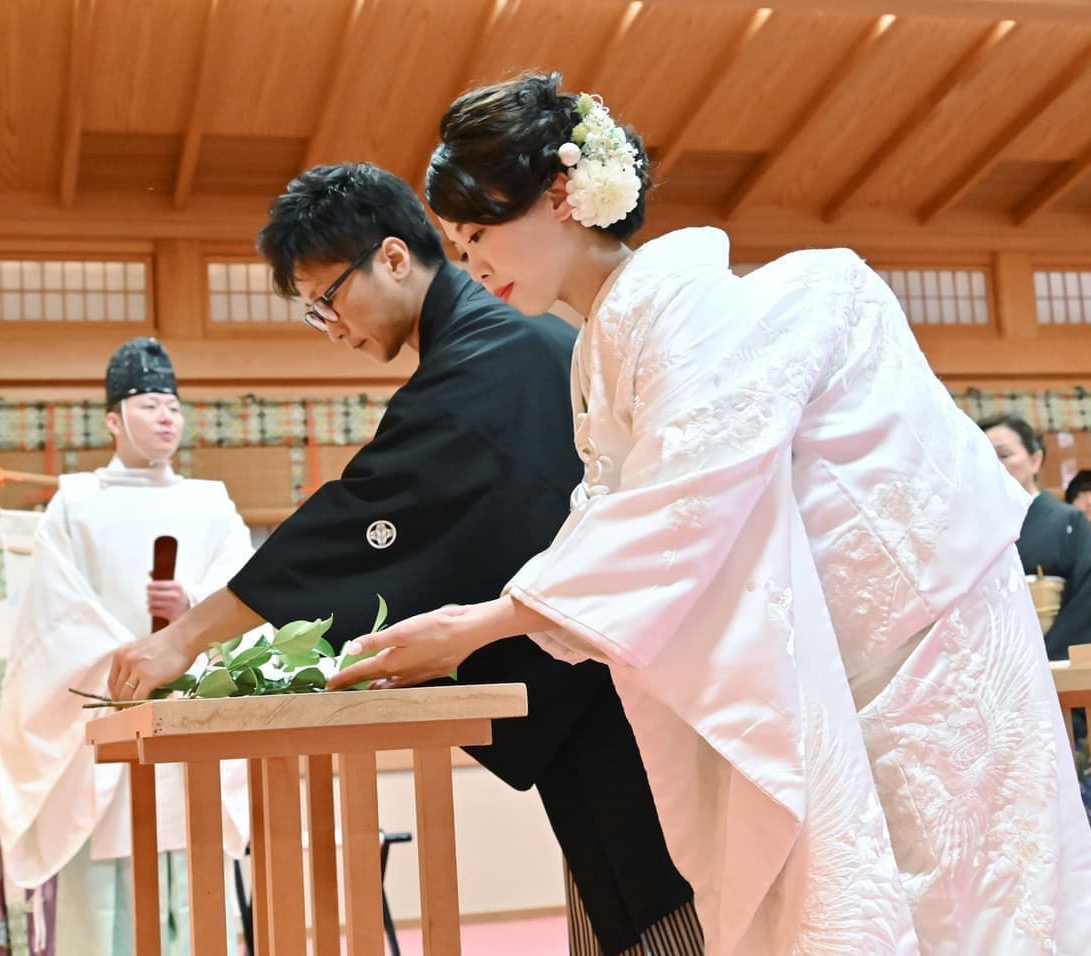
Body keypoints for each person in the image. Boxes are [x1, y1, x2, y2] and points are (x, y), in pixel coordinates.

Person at [331, 73, 1091, 953]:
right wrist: (500, 618)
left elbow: (685, 501)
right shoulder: (610, 336)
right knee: (925, 890)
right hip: (870, 640)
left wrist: (485, 623)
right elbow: (622, 515)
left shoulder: (678, 302)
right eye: (457, 241)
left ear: (562, 196)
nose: (471, 263)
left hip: (919, 630)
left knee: (976, 886)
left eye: (479, 233)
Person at [108, 165, 701, 955]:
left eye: (329, 300)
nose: (333, 325)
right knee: (627, 904)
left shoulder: (494, 352)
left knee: (665, 907)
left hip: (628, 690)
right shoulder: (494, 349)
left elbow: (360, 519)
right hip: (605, 681)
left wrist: (183, 639)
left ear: (394, 258)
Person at [0, 337, 256, 954]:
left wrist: (192, 618)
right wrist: (134, 656)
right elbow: (54, 619)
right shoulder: (76, 502)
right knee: (109, 887)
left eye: (173, 405)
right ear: (114, 419)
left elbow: (246, 597)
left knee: (196, 878)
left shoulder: (209, 503)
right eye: (148, 405)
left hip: (190, 716)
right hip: (106, 715)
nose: (167, 417)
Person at [979, 414, 1091, 660]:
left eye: (1004, 455)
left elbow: (1089, 599)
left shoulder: (1068, 521)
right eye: (982, 456)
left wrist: (1046, 660)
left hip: (1055, 658)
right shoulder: (973, 528)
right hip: (994, 663)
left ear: (1035, 459)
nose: (993, 464)